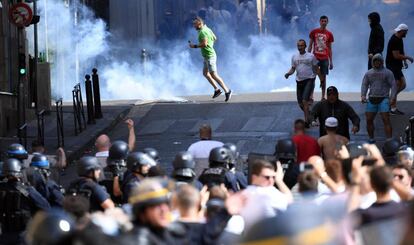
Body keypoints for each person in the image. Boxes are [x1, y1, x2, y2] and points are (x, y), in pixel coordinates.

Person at [0, 158, 50, 244]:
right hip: (24, 235)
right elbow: (46, 207)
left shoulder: (1, 189)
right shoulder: (27, 190)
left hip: (4, 235)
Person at [240, 160, 293, 230]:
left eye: (273, 177)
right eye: (267, 177)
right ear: (254, 177)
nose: (271, 181)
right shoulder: (270, 193)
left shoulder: (244, 192)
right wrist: (279, 180)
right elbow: (290, 201)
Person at [189, 16, 232, 102]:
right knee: (205, 73)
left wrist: (194, 46)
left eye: (195, 25)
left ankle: (227, 91)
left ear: (200, 24)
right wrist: (210, 44)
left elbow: (204, 44)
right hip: (207, 56)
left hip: (209, 56)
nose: (194, 26)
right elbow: (214, 38)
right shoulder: (207, 29)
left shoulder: (203, 32)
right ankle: (217, 90)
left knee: (214, 75)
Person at [361, 53, 397, 143]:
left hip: (383, 98)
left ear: (382, 62)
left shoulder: (388, 72)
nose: (377, 62)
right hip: (372, 98)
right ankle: (371, 138)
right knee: (369, 119)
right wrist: (363, 95)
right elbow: (364, 84)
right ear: (373, 62)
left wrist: (392, 98)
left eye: (378, 61)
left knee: (386, 119)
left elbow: (393, 85)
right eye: (375, 61)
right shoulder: (369, 73)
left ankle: (389, 140)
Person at [285, 39, 320, 123]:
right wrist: (288, 74)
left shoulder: (311, 56)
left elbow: (316, 68)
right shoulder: (294, 57)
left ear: (305, 46)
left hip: (309, 80)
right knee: (300, 103)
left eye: (301, 45)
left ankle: (307, 121)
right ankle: (311, 115)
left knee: (305, 101)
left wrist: (321, 79)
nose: (300, 47)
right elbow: (293, 68)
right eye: (298, 46)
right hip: (299, 81)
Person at [386, 23, 413, 115]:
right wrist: (408, 58)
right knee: (397, 85)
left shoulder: (399, 39)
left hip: (397, 66)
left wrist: (404, 61)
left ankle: (390, 100)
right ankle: (392, 108)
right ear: (402, 31)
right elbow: (396, 55)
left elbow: (401, 51)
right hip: (391, 65)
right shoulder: (394, 40)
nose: (406, 33)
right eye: (406, 32)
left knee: (403, 85)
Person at [308, 15, 334, 100]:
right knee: (313, 76)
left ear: (327, 22)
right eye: (322, 21)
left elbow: (329, 48)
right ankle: (311, 95)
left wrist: (331, 61)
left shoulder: (329, 34)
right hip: (315, 57)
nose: (323, 23)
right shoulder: (314, 32)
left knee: (323, 78)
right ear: (319, 22)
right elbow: (310, 45)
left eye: (325, 21)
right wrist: (307, 57)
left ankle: (323, 96)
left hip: (324, 58)